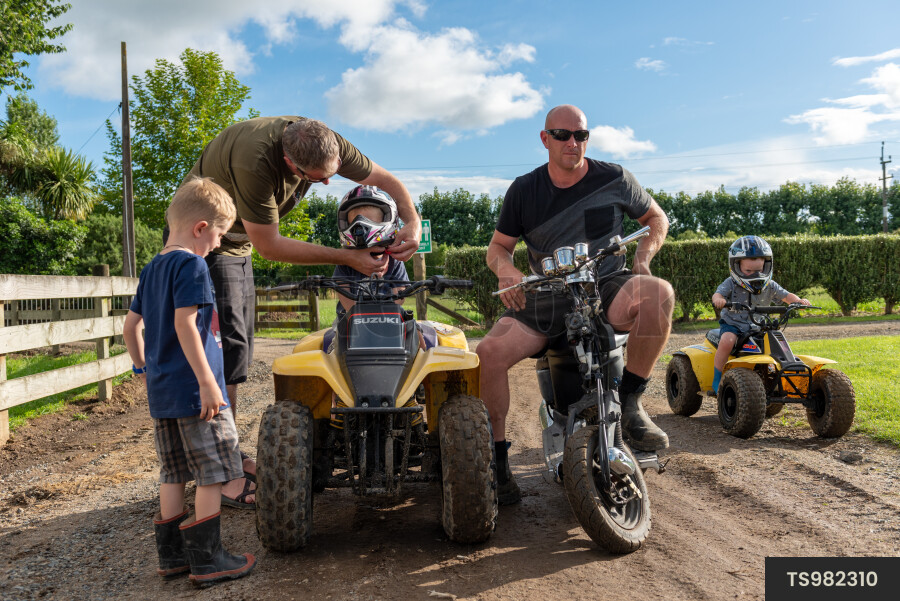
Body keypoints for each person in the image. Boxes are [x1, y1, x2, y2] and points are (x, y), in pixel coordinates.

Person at [177, 116, 421, 502]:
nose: (325, 183)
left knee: (238, 349)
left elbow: (386, 181)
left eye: (332, 175)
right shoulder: (253, 162)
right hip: (206, 243)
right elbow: (270, 246)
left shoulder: (325, 143)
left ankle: (228, 454)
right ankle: (217, 472)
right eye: (315, 177)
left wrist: (413, 221)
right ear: (290, 162)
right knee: (213, 353)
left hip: (236, 244)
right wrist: (348, 258)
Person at [476, 104, 675, 505]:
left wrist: (643, 259)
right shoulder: (524, 189)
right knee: (488, 353)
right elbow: (498, 248)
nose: (572, 143)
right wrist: (506, 271)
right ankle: (496, 464)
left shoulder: (615, 177)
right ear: (545, 138)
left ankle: (631, 403)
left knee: (659, 293)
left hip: (605, 285)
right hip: (545, 297)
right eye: (563, 135)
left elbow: (657, 221)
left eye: (580, 135)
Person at [123, 177, 255, 586]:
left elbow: (131, 328)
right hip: (197, 393)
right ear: (201, 228)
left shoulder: (152, 267)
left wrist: (143, 371)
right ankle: (208, 560)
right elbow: (186, 324)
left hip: (163, 392)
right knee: (213, 471)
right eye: (218, 236)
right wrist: (207, 382)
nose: (217, 245)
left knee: (173, 472)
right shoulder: (192, 264)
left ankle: (173, 558)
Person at [711, 235, 810, 393]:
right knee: (727, 341)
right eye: (748, 271)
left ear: (766, 266)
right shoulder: (730, 283)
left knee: (776, 345)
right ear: (736, 266)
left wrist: (798, 301)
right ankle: (717, 379)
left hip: (758, 326)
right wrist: (719, 300)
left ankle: (779, 378)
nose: (754, 274)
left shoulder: (770, 285)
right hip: (733, 325)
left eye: (758, 270)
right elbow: (718, 294)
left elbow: (786, 295)